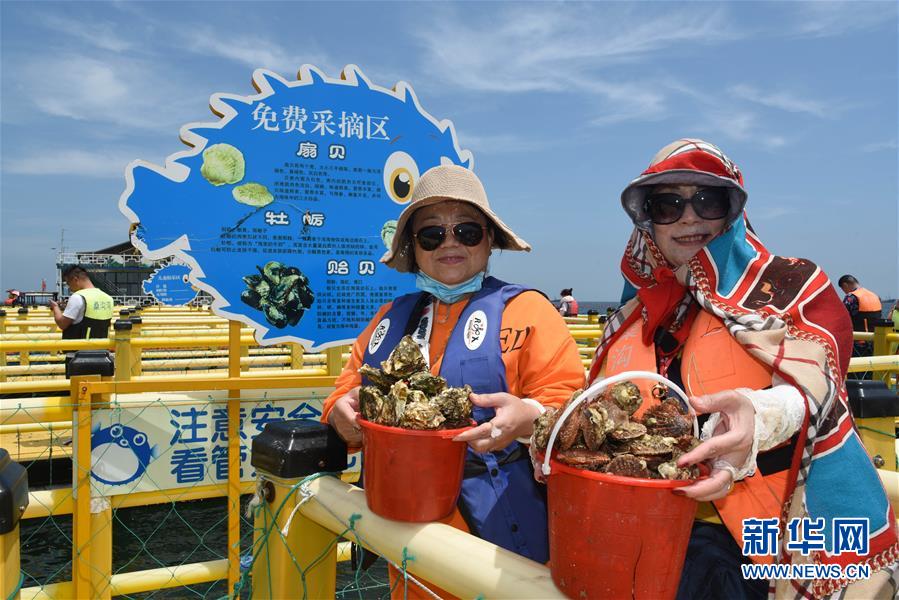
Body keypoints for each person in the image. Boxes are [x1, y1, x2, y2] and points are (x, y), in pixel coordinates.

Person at [589, 139, 898, 598]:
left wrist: (766, 414)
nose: (688, 217)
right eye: (667, 204)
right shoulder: (633, 316)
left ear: (732, 212)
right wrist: (536, 422)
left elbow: (819, 369)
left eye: (708, 200)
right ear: (648, 221)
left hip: (772, 540)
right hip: (651, 533)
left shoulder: (789, 286)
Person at [321, 164, 584, 597]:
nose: (450, 242)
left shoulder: (530, 312)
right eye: (431, 234)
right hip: (403, 536)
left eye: (467, 231)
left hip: (503, 547)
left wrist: (528, 417)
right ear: (413, 247)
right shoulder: (388, 319)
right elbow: (343, 391)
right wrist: (340, 414)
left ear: (489, 240)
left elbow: (568, 403)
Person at [49, 265, 114, 339]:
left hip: (80, 345)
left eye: (68, 283)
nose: (69, 288)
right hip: (102, 344)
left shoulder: (77, 297)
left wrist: (55, 307)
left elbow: (62, 324)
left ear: (75, 280)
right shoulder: (108, 298)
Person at [838, 274, 883, 357]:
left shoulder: (851, 297)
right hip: (875, 341)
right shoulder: (875, 296)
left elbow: (842, 319)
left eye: (843, 289)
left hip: (858, 343)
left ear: (845, 285)